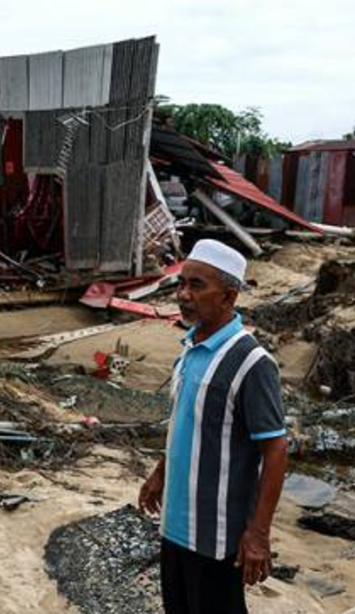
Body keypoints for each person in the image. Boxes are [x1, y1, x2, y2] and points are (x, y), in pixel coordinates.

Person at [138, 239, 288, 614]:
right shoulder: (190, 348)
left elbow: (275, 449)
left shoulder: (251, 362)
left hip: (215, 536)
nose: (184, 295)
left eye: (197, 286)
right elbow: (187, 421)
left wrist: (258, 534)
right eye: (181, 284)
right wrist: (161, 472)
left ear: (229, 297)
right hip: (174, 524)